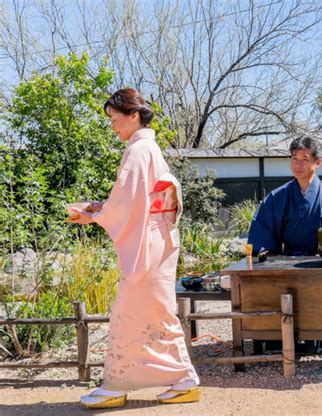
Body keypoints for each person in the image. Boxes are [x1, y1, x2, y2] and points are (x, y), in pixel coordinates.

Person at [70, 88, 200, 409]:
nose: (113, 126)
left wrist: (94, 215)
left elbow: (127, 204)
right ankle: (183, 379)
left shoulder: (139, 151)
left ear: (133, 116)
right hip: (155, 238)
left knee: (129, 316)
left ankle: (117, 384)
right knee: (157, 313)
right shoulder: (146, 148)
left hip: (148, 243)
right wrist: (103, 208)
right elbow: (132, 200)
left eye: (115, 119)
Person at [247, 134, 322, 354]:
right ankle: (277, 340)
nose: (298, 164)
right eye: (294, 158)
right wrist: (271, 261)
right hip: (287, 265)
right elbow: (263, 237)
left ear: (318, 162)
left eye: (305, 159)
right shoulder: (278, 198)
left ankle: (321, 340)